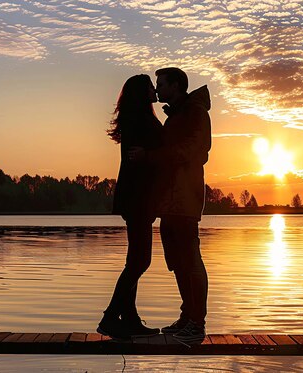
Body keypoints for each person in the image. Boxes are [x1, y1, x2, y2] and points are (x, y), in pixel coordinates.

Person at [130, 67, 211, 345]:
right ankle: (186, 318)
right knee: (177, 263)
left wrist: (150, 157)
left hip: (185, 200)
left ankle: (197, 323)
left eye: (161, 84)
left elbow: (193, 151)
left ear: (176, 85)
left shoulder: (196, 113)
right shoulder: (175, 115)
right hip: (169, 202)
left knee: (190, 261)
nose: (158, 89)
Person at [97, 74, 162, 339]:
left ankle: (130, 317)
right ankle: (111, 317)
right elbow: (144, 159)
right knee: (140, 260)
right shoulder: (141, 120)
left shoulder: (137, 118)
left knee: (135, 259)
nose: (154, 89)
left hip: (136, 196)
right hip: (138, 197)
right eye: (150, 86)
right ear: (140, 92)